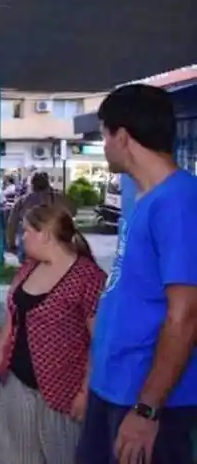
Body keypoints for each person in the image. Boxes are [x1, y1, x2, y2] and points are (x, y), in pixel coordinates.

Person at [76, 83, 197, 464]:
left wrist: (148, 409)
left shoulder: (179, 202)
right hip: (114, 389)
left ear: (123, 136)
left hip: (148, 402)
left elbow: (187, 314)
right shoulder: (147, 200)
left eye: (104, 133)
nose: (104, 143)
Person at [0, 204, 106, 464]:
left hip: (64, 391)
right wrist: (0, 357)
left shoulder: (88, 278)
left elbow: (99, 340)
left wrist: (85, 392)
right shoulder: (28, 269)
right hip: (17, 383)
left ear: (44, 235)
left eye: (26, 231)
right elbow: (12, 318)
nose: (23, 238)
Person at [6, 172, 76, 263]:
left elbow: (12, 224)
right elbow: (73, 212)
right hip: (54, 242)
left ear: (32, 184)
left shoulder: (23, 201)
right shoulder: (59, 198)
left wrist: (11, 244)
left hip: (29, 246)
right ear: (47, 182)